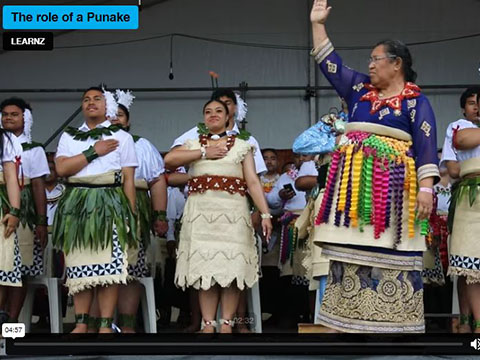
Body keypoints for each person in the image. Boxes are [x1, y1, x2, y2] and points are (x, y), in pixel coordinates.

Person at [309, 0, 439, 333]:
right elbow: (330, 64)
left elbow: (426, 145)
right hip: (352, 193)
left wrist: (427, 190)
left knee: (391, 255)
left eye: (375, 59)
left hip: (394, 193)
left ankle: (393, 330)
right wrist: (317, 24)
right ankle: (347, 326)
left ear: (397, 65)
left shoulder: (415, 102)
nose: (370, 65)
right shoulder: (358, 92)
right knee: (350, 255)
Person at [165, 99, 272, 333]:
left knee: (232, 268)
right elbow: (169, 160)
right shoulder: (192, 143)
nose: (212, 115)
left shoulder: (243, 145)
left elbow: (253, 182)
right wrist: (204, 152)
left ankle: (226, 323)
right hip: (201, 214)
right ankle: (207, 323)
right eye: (208, 112)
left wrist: (264, 213)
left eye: (218, 111)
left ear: (228, 117)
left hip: (232, 214)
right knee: (205, 268)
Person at [53, 86, 138, 333]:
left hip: (111, 201)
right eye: (86, 99)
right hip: (76, 203)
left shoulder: (123, 138)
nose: (91, 102)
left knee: (109, 266)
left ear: (107, 106)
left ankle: (104, 324)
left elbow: (129, 180)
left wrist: (130, 215)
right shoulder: (69, 136)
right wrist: (94, 151)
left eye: (97, 99)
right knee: (79, 263)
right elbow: (62, 169)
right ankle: (81, 323)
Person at [110, 90, 168, 333]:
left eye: (120, 115)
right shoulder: (89, 143)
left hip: (135, 212)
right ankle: (96, 325)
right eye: (110, 115)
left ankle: (128, 326)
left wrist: (160, 215)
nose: (115, 119)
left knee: (131, 267)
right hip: (100, 210)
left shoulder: (142, 145)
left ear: (128, 120)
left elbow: (157, 181)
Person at [0, 97, 49, 324]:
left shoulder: (34, 149)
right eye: (5, 114)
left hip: (24, 208)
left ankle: (11, 326)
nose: (8, 117)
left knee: (20, 272)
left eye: (14, 114)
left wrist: (41, 221)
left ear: (24, 118)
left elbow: (39, 185)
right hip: (4, 206)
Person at [439, 87, 479, 332]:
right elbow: (453, 170)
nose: (475, 106)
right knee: (467, 264)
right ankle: (469, 322)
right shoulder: (457, 126)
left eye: (478, 102)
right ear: (463, 107)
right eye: (471, 102)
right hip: (467, 196)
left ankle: (471, 323)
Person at [0, 131, 23, 325]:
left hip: (1, 210)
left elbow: (11, 177)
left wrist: (14, 211)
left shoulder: (3, 139)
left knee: (2, 267)